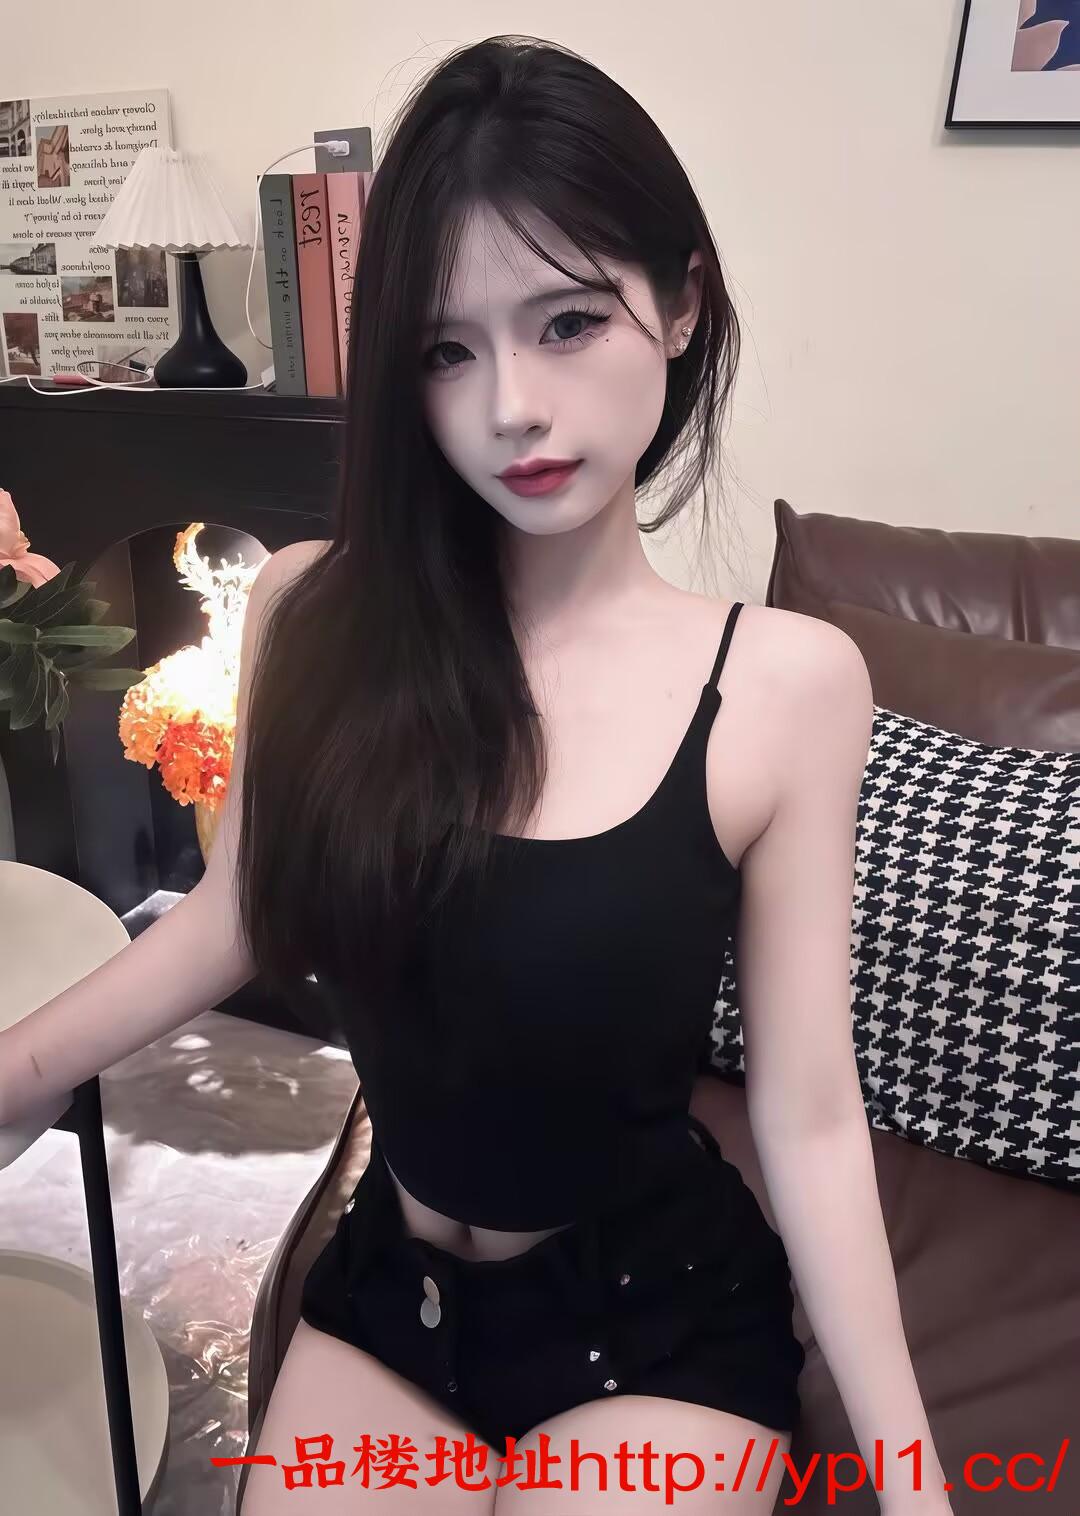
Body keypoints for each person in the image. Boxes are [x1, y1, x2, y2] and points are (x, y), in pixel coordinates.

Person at [0, 36, 953, 1516]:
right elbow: (236, 915)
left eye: (568, 322)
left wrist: (914, 1483)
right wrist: (18, 1070)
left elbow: (812, 1115)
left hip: (654, 1318)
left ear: (682, 303)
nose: (512, 404)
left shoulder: (786, 687)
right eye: (448, 350)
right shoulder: (313, 610)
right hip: (402, 1294)